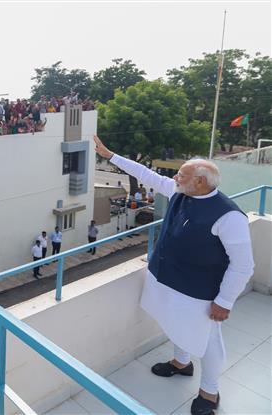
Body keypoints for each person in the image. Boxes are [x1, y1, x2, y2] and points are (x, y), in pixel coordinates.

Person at [94, 134, 254, 415]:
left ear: (201, 182)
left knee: (208, 341)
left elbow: (243, 265)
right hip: (166, 278)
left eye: (182, 174)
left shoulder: (229, 217)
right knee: (172, 322)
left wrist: (225, 301)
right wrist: (111, 156)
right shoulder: (182, 191)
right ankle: (181, 363)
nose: (175, 177)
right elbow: (146, 174)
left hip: (199, 291)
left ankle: (209, 392)